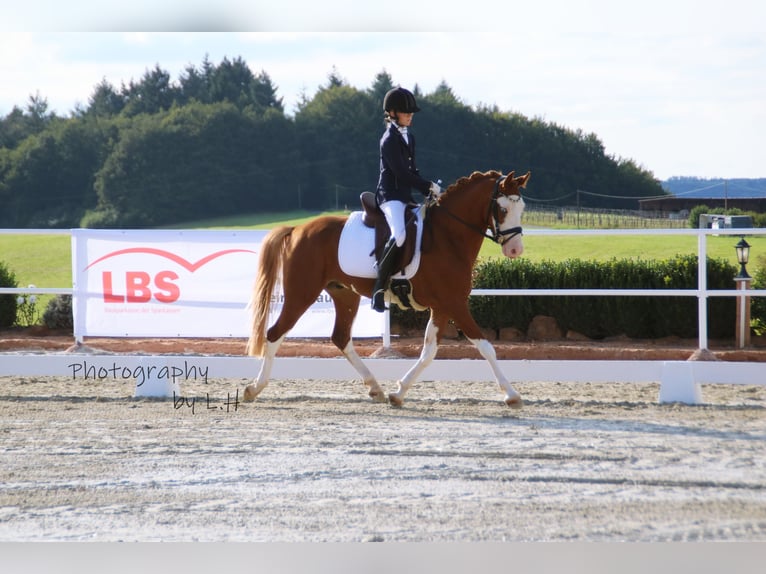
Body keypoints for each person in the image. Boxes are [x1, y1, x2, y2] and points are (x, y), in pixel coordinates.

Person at [371, 86, 442, 312]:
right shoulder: (389, 140)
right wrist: (425, 185)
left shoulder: (408, 136)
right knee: (399, 236)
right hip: (390, 195)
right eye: (405, 111)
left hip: (405, 195)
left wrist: (426, 188)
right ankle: (379, 290)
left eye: (411, 112)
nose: (410, 115)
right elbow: (401, 173)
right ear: (392, 113)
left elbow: (412, 170)